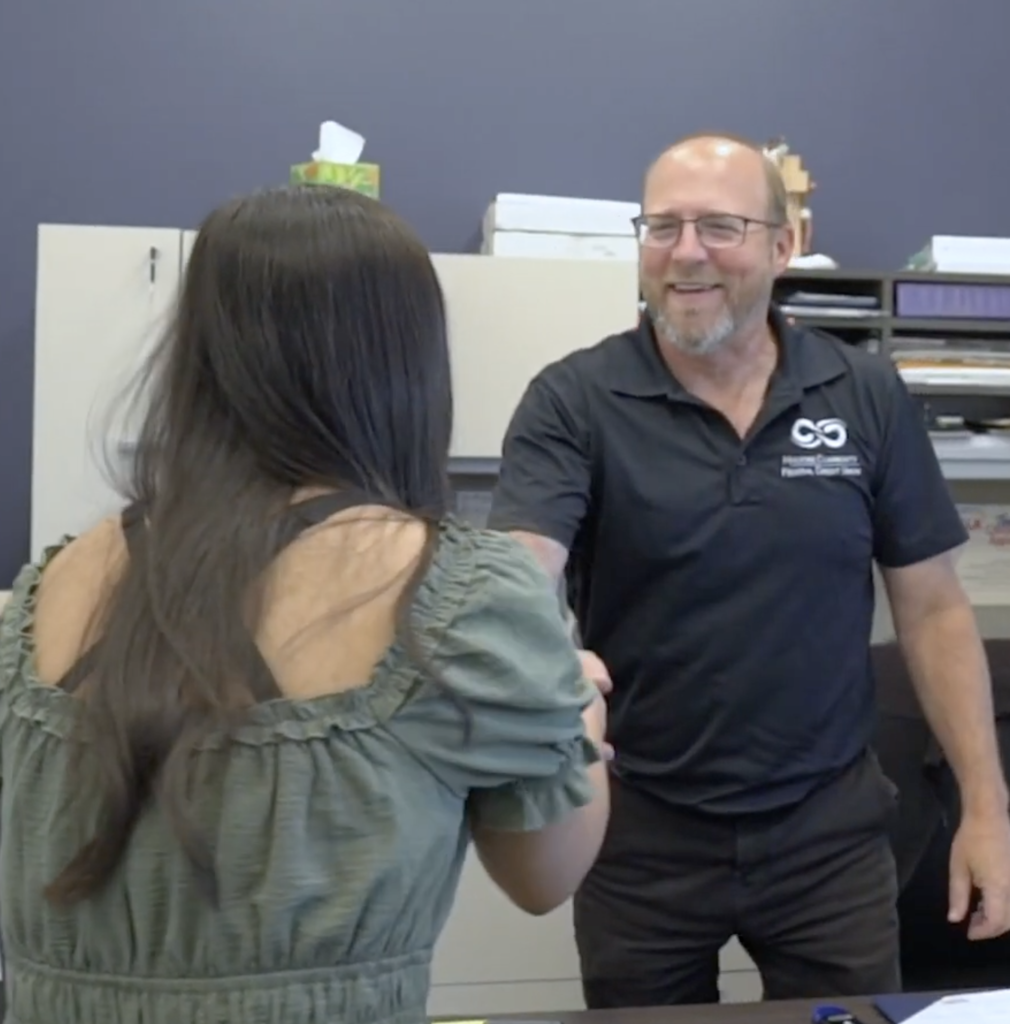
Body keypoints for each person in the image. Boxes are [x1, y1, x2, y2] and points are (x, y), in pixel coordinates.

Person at [0, 184, 610, 1024]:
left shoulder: (60, 580)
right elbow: (546, 877)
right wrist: (572, 706)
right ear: (407, 362)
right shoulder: (457, 589)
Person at [487, 133, 1010, 1007]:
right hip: (640, 832)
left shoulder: (864, 392)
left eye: (719, 226)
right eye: (662, 227)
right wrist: (512, 635)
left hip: (827, 836)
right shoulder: (572, 399)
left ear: (784, 243)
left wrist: (987, 811)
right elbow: (521, 571)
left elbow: (934, 611)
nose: (686, 252)